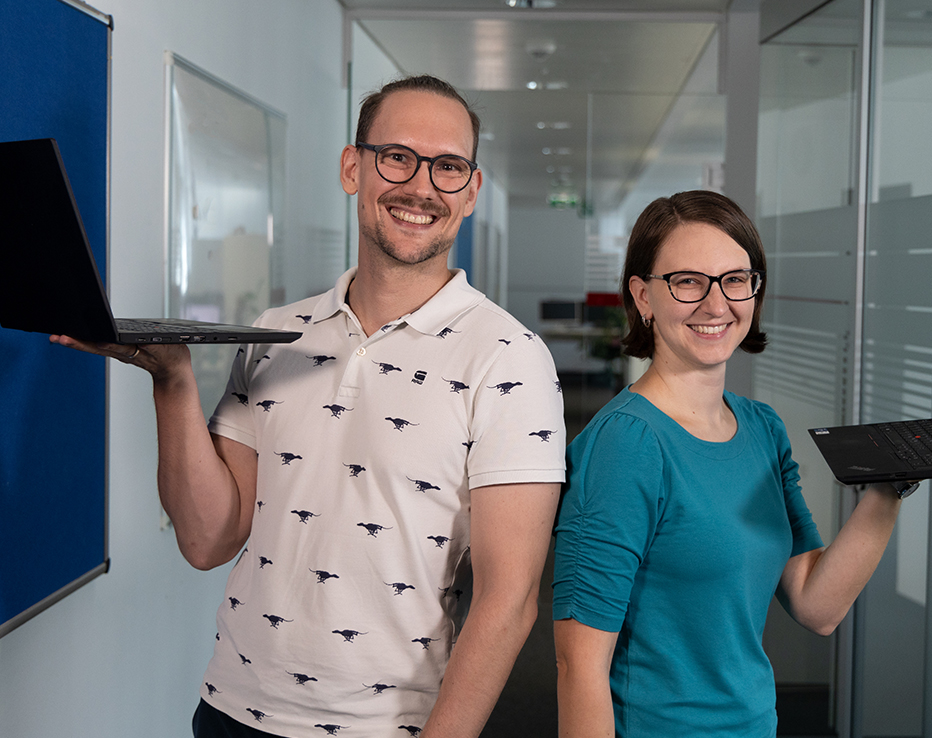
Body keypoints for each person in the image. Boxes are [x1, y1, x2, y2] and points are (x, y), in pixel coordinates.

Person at [53, 75, 566, 738]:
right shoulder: (277, 332)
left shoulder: (508, 358)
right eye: (397, 157)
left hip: (387, 726)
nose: (421, 186)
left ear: (470, 191)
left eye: (447, 167)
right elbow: (208, 539)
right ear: (353, 168)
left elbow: (509, 601)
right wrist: (172, 380)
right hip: (232, 708)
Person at [551, 190, 914, 738]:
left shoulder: (762, 428)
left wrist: (890, 486)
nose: (717, 304)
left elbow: (817, 605)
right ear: (643, 296)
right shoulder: (626, 445)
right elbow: (578, 665)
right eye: (689, 281)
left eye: (735, 279)